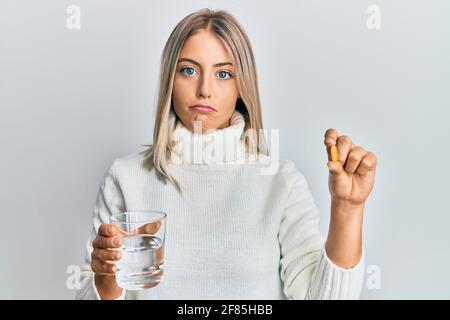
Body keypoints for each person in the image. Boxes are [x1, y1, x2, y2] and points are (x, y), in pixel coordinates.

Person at [76, 8, 377, 300]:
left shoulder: (280, 182)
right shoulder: (126, 177)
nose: (205, 89)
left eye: (223, 74)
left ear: (241, 86)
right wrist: (105, 280)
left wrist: (348, 209)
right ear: (170, 78)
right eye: (189, 70)